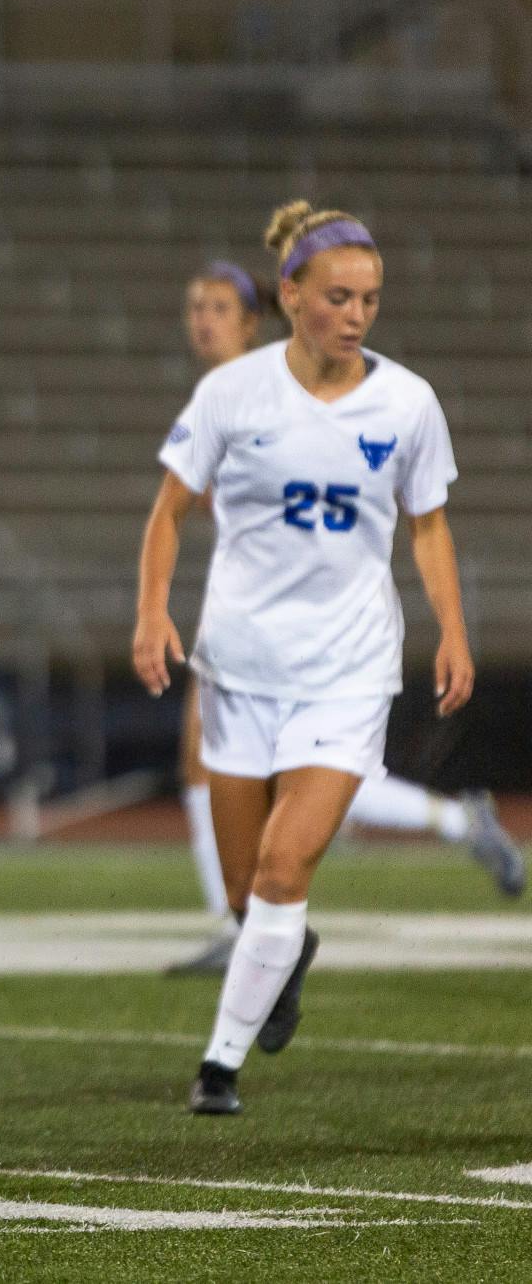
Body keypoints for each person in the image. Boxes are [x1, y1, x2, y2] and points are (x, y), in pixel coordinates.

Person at [135, 201, 475, 1116]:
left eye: (369, 297)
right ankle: (280, 949)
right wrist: (150, 615)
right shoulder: (231, 395)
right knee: (252, 894)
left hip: (350, 670)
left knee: (285, 872)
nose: (357, 314)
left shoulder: (407, 403)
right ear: (290, 296)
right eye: (337, 296)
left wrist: (451, 627)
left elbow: (429, 526)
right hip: (240, 668)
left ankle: (219, 1066)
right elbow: (168, 510)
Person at [165, 262, 520, 976]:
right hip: (259, 621)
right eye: (195, 305)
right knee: (258, 772)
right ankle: (450, 824)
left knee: (281, 773)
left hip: (303, 629)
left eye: (218, 308)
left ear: (253, 320)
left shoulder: (272, 388)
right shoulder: (236, 391)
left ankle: (245, 927)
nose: (203, 320)